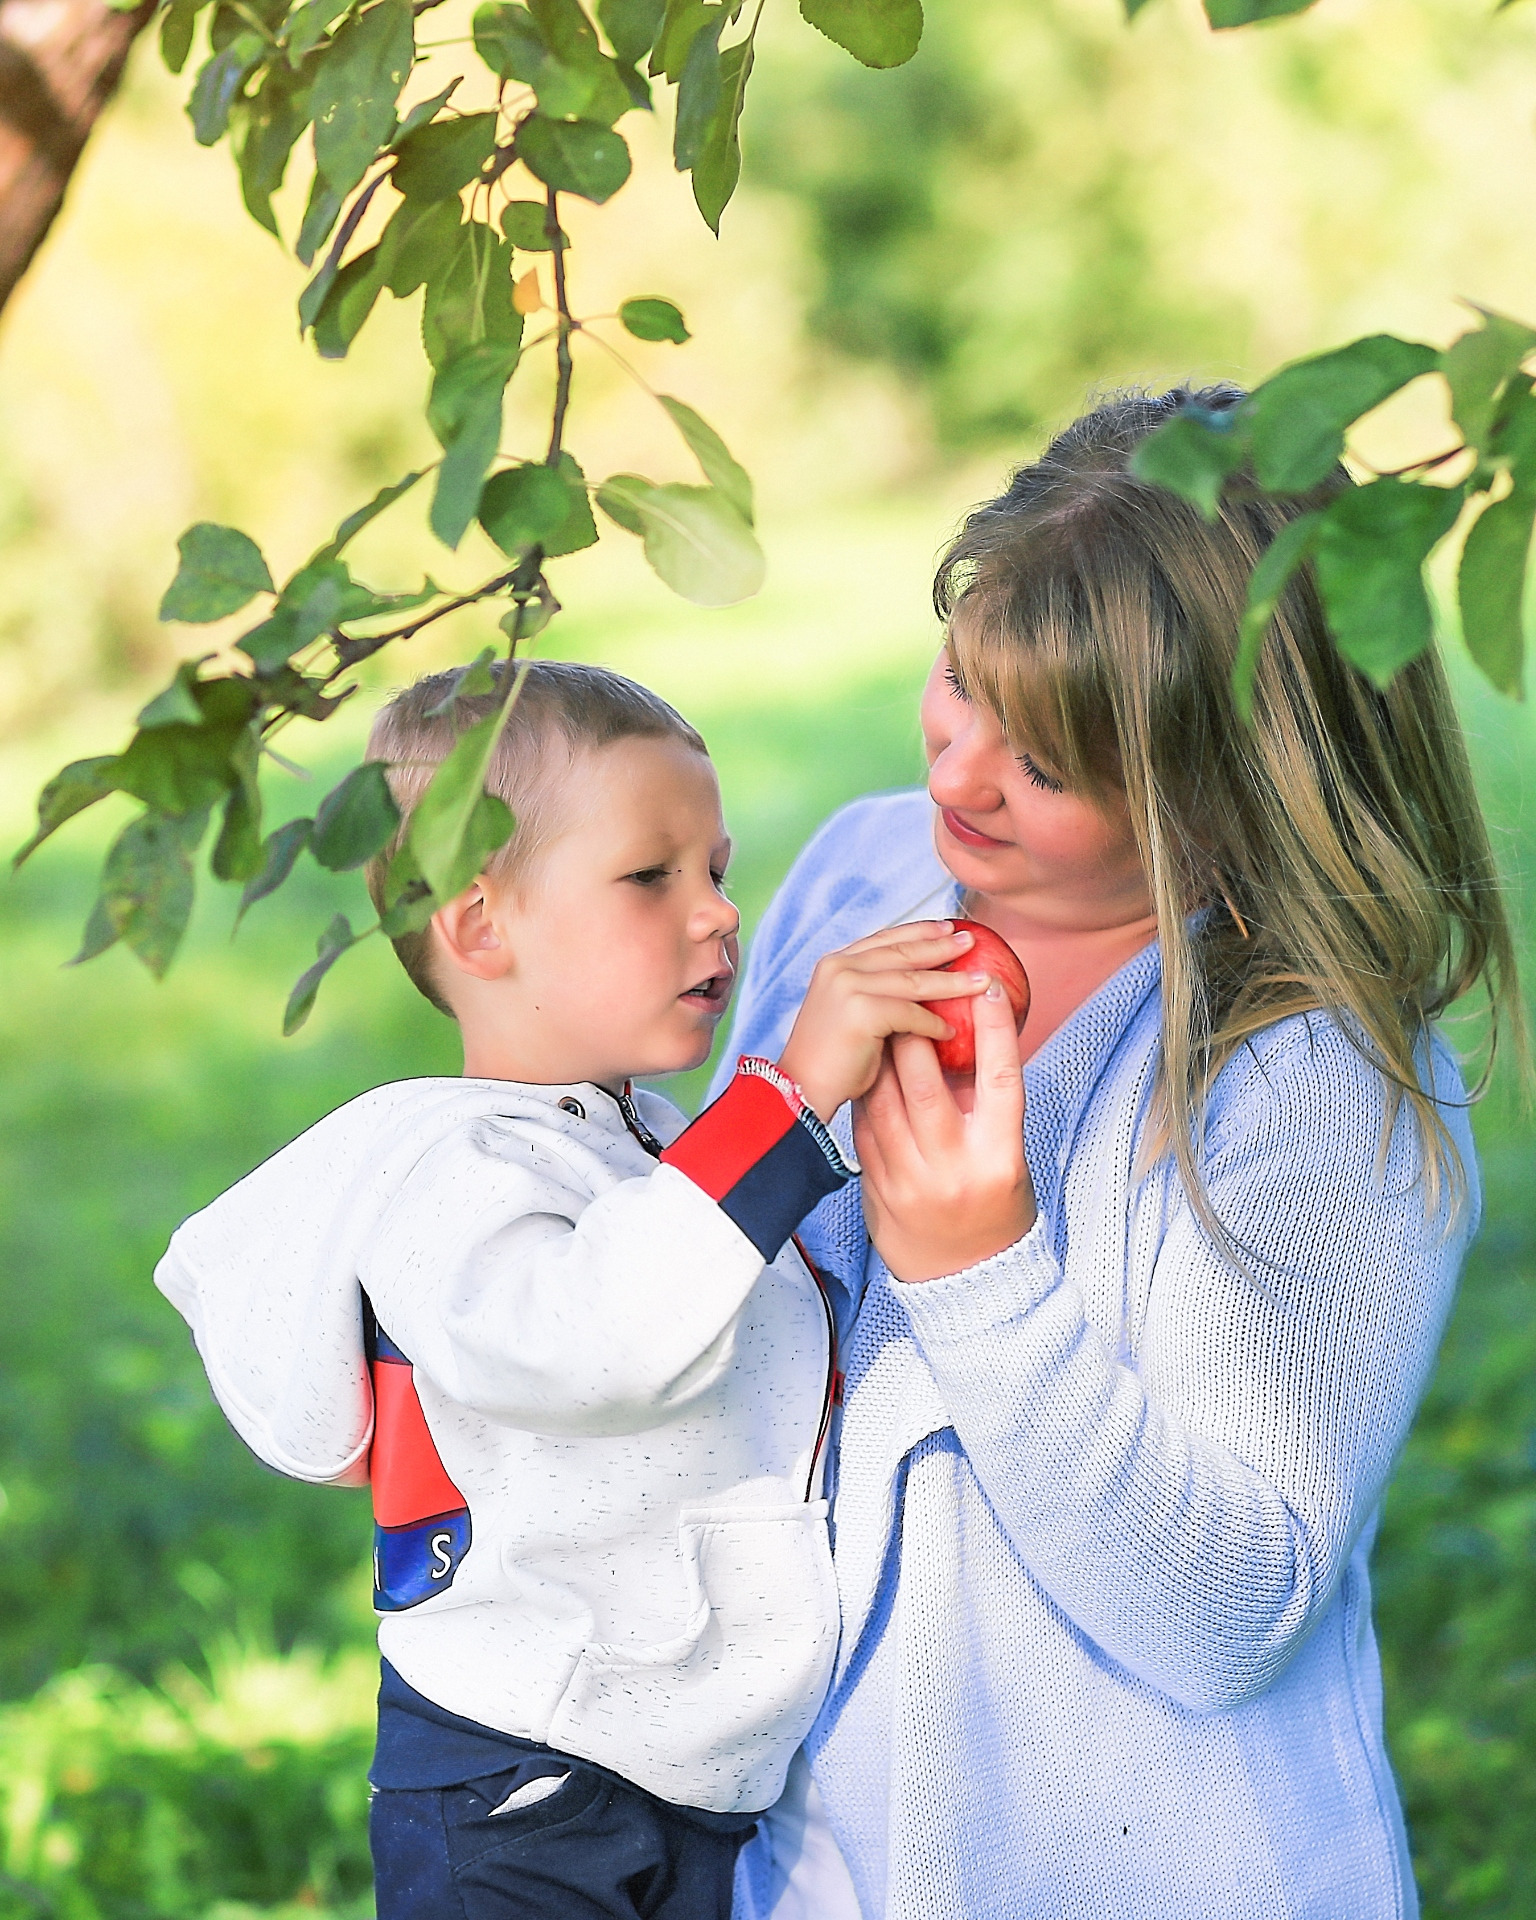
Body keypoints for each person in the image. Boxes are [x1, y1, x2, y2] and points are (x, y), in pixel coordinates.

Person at [719, 389, 1526, 1920]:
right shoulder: (858, 876)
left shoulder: (1315, 1074)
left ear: (1228, 794)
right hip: (810, 1861)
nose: (959, 776)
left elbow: (1235, 1612)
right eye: (960, 682)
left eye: (1047, 761)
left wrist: (980, 1278)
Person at [153, 660, 992, 1920]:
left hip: (674, 1763)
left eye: (714, 869)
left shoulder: (643, 1143)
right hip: (525, 1783)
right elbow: (597, 1341)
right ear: (483, 925)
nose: (715, 914)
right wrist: (792, 1096)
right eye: (650, 877)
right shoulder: (455, 1172)